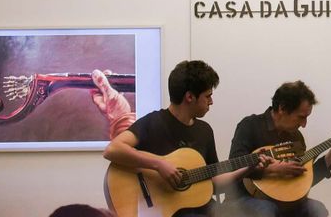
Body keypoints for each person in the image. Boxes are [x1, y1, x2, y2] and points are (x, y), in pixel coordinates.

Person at [103, 60, 266, 217]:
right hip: (163, 210)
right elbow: (113, 150)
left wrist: (249, 168)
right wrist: (159, 164)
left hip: (201, 208)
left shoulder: (205, 131)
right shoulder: (154, 122)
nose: (211, 102)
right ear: (190, 97)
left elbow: (214, 182)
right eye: (207, 96)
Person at [225, 80, 331, 217]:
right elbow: (234, 164)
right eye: (301, 117)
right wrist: (272, 169)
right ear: (282, 108)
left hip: (283, 202)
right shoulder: (250, 125)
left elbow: (302, 184)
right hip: (243, 197)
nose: (304, 124)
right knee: (266, 209)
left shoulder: (296, 137)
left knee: (317, 209)